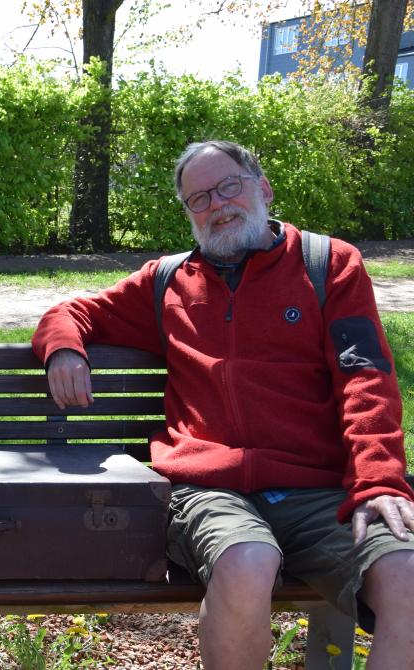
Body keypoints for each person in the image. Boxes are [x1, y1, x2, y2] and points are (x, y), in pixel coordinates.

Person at [32, 140, 414, 669]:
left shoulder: (328, 265)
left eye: (228, 186)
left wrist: (378, 480)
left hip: (317, 489)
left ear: (263, 188)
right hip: (210, 489)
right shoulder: (167, 282)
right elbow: (72, 312)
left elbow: (366, 379)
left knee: (407, 578)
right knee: (246, 562)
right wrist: (64, 348)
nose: (217, 205)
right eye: (199, 198)